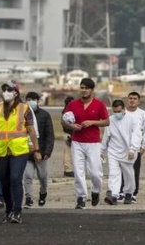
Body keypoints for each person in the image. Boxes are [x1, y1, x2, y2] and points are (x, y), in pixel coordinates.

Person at [0, 81, 39, 224]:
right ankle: (8, 210)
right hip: (1, 150)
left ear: (16, 92)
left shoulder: (24, 108)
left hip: (19, 150)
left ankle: (17, 212)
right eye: (4, 89)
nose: (6, 92)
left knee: (15, 179)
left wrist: (37, 149)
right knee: (5, 182)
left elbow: (31, 131)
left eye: (9, 89)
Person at [61, 78, 110, 209]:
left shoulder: (99, 105)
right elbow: (64, 120)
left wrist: (92, 122)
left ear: (92, 90)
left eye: (86, 88)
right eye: (82, 87)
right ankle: (81, 197)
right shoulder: (73, 104)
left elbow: (106, 121)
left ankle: (96, 190)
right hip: (77, 142)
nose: (84, 90)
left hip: (93, 142)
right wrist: (72, 126)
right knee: (78, 171)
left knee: (95, 172)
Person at [102, 100, 142, 205]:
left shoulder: (133, 120)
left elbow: (137, 135)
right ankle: (113, 195)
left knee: (128, 174)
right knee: (113, 173)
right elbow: (106, 136)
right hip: (113, 151)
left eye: (119, 111)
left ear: (124, 109)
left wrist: (133, 149)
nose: (117, 114)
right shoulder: (110, 120)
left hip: (128, 152)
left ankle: (128, 193)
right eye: (115, 111)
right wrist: (102, 150)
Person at [118, 92, 145, 202]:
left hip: (135, 147)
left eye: (135, 99)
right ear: (127, 100)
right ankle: (122, 191)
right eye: (130, 98)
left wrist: (144, 145)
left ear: (138, 101)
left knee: (134, 170)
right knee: (121, 170)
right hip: (122, 146)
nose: (132, 100)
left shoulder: (142, 114)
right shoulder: (122, 113)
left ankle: (133, 192)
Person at [23, 92, 54, 208]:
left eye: (33, 99)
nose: (30, 101)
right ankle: (28, 198)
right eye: (28, 99)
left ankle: (43, 192)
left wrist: (47, 152)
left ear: (38, 101)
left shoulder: (44, 115)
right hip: (26, 151)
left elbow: (50, 135)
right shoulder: (22, 115)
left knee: (42, 176)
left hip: (41, 152)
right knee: (28, 176)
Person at [62, 96, 75, 177]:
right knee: (68, 153)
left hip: (68, 134)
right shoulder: (68, 112)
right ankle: (68, 170)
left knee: (68, 153)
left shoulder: (65, 111)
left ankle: (68, 169)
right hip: (69, 134)